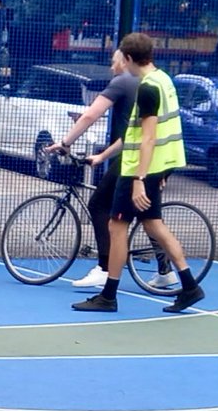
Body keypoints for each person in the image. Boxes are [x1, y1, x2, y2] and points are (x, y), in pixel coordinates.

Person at [72, 32, 206, 314]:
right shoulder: (163, 79)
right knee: (153, 224)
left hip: (141, 169)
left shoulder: (147, 88)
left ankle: (108, 295)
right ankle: (190, 286)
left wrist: (139, 181)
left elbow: (147, 138)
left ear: (129, 58)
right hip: (159, 165)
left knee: (116, 227)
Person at [47, 49, 175, 290]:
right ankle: (166, 270)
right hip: (158, 158)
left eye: (114, 60)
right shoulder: (155, 81)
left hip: (136, 160)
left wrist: (65, 143)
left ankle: (105, 268)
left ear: (126, 60)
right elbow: (133, 134)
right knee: (146, 215)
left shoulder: (123, 81)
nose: (111, 66)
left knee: (99, 205)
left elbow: (90, 115)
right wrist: (103, 156)